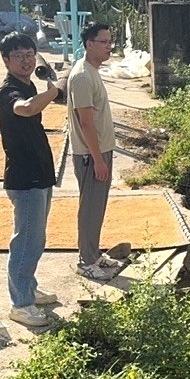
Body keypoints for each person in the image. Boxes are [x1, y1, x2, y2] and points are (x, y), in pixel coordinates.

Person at [0, 32, 64, 327]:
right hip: (24, 177)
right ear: (6, 61)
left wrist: (49, 87)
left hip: (40, 173)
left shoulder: (28, 85)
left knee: (36, 239)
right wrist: (55, 90)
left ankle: (29, 289)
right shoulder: (8, 91)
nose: (26, 61)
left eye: (29, 54)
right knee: (25, 241)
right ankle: (20, 304)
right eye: (18, 56)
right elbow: (26, 109)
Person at [66, 22, 125, 280]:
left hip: (99, 153)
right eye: (103, 42)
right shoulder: (82, 76)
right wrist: (98, 159)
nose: (109, 46)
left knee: (97, 206)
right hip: (91, 156)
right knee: (90, 207)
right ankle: (86, 261)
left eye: (110, 41)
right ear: (89, 44)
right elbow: (86, 123)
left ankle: (93, 253)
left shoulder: (92, 71)